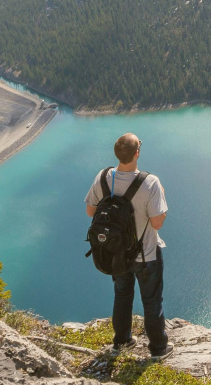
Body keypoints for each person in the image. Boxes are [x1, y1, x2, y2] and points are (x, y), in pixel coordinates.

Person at [85, 133, 173, 358]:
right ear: (137, 153)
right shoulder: (150, 182)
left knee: (122, 296)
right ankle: (158, 349)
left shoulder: (103, 177)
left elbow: (90, 211)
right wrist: (162, 197)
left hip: (117, 254)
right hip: (146, 256)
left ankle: (122, 342)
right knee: (152, 301)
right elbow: (157, 222)